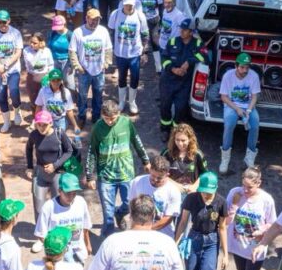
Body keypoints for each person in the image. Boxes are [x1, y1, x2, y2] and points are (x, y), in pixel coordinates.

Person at [225, 166, 277, 270]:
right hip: (238, 245)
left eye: (250, 187)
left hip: (256, 249)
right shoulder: (235, 193)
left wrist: (262, 231)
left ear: (259, 183)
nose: (245, 190)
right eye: (244, 185)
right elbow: (226, 218)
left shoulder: (267, 200)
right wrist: (234, 203)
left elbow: (273, 224)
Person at [85, 101, 151, 236]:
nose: (109, 122)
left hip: (126, 173)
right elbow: (92, 151)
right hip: (106, 176)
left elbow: (136, 141)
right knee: (108, 215)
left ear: (119, 114)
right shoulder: (97, 128)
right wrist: (90, 176)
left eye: (113, 119)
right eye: (106, 118)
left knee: (129, 205)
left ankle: (119, 214)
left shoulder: (126, 123)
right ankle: (107, 241)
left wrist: (145, 160)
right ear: (102, 115)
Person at [177, 172, 228, 270]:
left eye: (209, 192)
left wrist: (225, 254)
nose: (206, 194)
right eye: (204, 191)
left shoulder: (221, 202)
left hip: (212, 242)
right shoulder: (191, 199)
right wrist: (175, 242)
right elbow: (183, 221)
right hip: (194, 239)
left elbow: (222, 227)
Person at [26, 111, 74, 249]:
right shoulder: (34, 135)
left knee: (59, 204)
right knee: (38, 205)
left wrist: (55, 165)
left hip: (57, 174)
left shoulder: (59, 133)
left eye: (44, 125)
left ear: (51, 123)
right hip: (40, 173)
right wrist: (29, 167)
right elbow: (28, 148)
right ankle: (41, 238)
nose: (41, 128)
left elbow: (69, 150)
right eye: (39, 125)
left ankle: (58, 234)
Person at [36, 173, 93, 270]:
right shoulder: (48, 207)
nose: (71, 197)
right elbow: (41, 234)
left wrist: (88, 244)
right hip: (58, 258)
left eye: (74, 193)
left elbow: (85, 226)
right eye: (67, 193)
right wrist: (55, 252)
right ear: (59, 191)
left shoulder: (81, 202)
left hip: (79, 252)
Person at [159, 19, 203, 138]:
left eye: (185, 30)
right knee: (165, 105)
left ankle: (175, 130)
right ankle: (165, 129)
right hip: (168, 80)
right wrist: (173, 69)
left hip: (184, 83)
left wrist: (190, 61)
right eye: (181, 29)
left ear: (191, 32)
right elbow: (164, 58)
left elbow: (205, 57)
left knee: (180, 108)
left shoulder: (197, 44)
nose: (181, 31)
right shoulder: (173, 41)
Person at [70, 8, 113, 127]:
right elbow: (72, 51)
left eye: (97, 19)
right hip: (84, 71)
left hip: (99, 70)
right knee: (82, 96)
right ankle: (82, 116)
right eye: (93, 19)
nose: (95, 22)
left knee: (98, 96)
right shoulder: (78, 32)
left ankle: (96, 117)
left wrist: (107, 63)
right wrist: (77, 66)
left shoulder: (103, 31)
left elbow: (108, 49)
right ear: (86, 18)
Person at [108, 0, 149, 115]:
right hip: (120, 53)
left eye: (131, 5)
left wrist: (145, 52)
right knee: (122, 77)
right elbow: (110, 32)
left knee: (135, 78)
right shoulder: (115, 14)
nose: (129, 7)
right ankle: (121, 101)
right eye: (126, 5)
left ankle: (132, 101)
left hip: (135, 53)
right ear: (123, 4)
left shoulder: (140, 16)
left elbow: (145, 34)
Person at [219, 52, 261, 173]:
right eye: (242, 67)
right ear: (236, 66)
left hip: (248, 105)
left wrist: (248, 109)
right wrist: (237, 109)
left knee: (255, 123)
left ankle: (249, 158)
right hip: (231, 105)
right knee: (229, 123)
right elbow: (224, 97)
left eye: (247, 67)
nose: (245, 70)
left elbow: (254, 96)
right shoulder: (228, 76)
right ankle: (225, 158)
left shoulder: (254, 76)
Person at [0, 9, 24, 133]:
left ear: (9, 21)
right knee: (1, 95)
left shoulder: (15, 33)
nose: (2, 24)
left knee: (14, 91)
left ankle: (17, 111)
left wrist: (5, 66)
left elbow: (18, 52)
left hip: (12, 68)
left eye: (4, 22)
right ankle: (6, 121)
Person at [127, 155, 182, 236]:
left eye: (159, 178)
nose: (155, 180)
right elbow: (132, 206)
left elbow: (168, 218)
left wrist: (147, 229)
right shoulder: (137, 182)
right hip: (139, 232)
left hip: (163, 234)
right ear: (150, 170)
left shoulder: (174, 191)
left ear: (167, 175)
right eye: (152, 176)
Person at [161, 122, 208, 194]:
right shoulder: (166, 153)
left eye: (183, 140)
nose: (180, 143)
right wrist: (177, 186)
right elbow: (160, 173)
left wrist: (194, 186)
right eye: (177, 140)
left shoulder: (198, 155)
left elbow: (205, 174)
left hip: (191, 192)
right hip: (171, 191)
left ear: (190, 139)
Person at [37, 68, 80, 135]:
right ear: (50, 81)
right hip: (46, 120)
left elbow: (69, 110)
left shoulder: (66, 92)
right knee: (46, 138)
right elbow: (39, 106)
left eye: (58, 80)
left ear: (61, 80)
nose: (56, 82)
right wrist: (36, 121)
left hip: (60, 120)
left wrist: (75, 125)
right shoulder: (43, 91)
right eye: (53, 80)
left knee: (59, 138)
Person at [137, 0, 163, 67]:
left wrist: (161, 19)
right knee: (143, 41)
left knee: (155, 42)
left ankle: (158, 66)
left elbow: (160, 6)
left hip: (154, 20)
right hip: (143, 21)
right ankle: (142, 60)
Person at [157, 0, 187, 69]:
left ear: (174, 2)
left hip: (171, 48)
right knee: (163, 66)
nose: (167, 5)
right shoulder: (164, 11)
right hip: (162, 45)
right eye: (165, 2)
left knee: (169, 69)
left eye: (169, 2)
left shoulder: (179, 15)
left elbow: (186, 27)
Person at [23, 33, 55, 106]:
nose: (32, 45)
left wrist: (48, 76)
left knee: (46, 98)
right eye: (31, 42)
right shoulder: (26, 51)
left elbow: (51, 64)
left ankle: (46, 115)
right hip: (33, 76)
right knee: (33, 99)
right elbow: (34, 64)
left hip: (45, 76)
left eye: (35, 43)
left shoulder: (47, 51)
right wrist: (40, 51)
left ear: (41, 43)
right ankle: (35, 115)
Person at [47, 14, 75, 92]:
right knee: (55, 81)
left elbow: (73, 51)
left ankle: (72, 99)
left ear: (64, 24)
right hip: (54, 61)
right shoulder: (52, 33)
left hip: (66, 61)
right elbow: (49, 47)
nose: (57, 29)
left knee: (69, 83)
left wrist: (71, 65)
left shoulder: (70, 35)